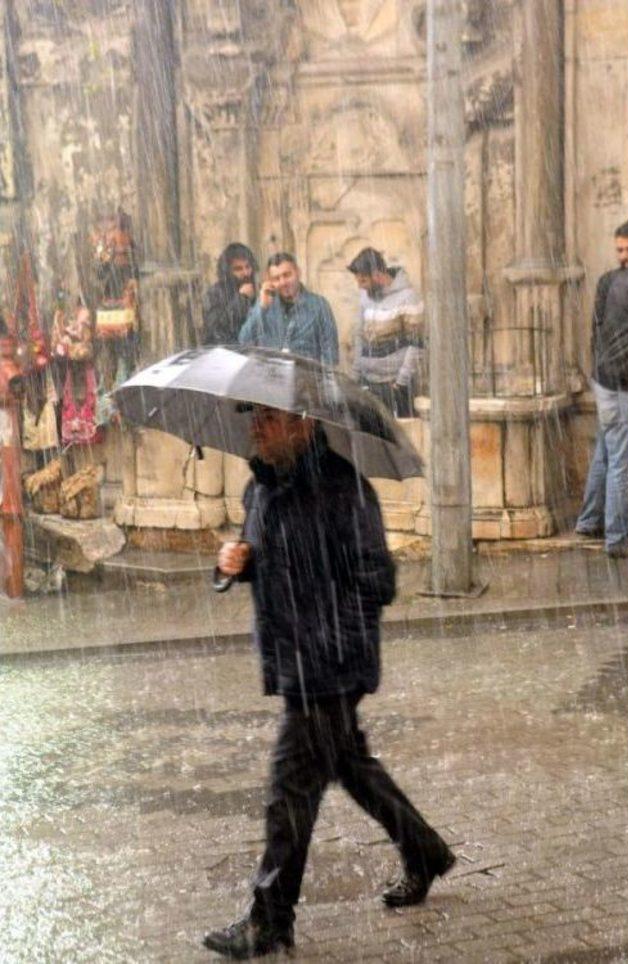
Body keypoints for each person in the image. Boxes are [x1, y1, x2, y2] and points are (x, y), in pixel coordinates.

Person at [203, 406, 455, 959]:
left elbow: (378, 581)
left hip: (330, 666)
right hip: (294, 661)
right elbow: (256, 558)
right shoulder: (260, 489)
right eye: (254, 419)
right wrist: (233, 565)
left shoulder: (346, 489)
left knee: (289, 792)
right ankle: (426, 851)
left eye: (268, 419)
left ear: (303, 423)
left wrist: (327, 633)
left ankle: (269, 921)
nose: (256, 428)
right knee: (351, 766)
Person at [575, 219, 628, 558]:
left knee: (605, 451)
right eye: (621, 250)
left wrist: (598, 367)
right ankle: (617, 539)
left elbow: (595, 329)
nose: (625, 256)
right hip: (626, 385)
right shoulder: (614, 281)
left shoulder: (607, 281)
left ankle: (588, 522)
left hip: (604, 379)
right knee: (622, 462)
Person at [347, 247, 425, 417]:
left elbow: (417, 344)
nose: (360, 286)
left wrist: (401, 383)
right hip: (369, 383)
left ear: (377, 275)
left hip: (395, 385)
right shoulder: (365, 296)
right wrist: (356, 375)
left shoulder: (408, 297)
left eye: (363, 281)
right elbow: (358, 335)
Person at [239, 253, 339, 365]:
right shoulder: (264, 305)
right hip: (271, 378)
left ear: (298, 273)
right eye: (276, 278)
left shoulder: (319, 306)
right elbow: (244, 341)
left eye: (287, 275)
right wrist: (261, 308)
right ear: (270, 281)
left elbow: (331, 355)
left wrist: (320, 379)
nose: (283, 282)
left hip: (306, 379)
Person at [203, 243, 259, 345]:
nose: (246, 273)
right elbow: (217, 328)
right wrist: (242, 299)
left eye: (248, 267)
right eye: (238, 269)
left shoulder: (258, 290)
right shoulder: (215, 293)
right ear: (227, 271)